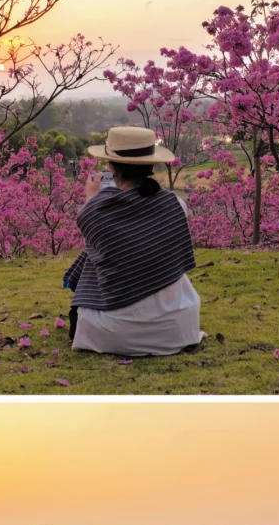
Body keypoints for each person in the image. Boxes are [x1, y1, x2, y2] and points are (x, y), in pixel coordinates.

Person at [62, 126, 204, 357]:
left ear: (112, 166)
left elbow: (99, 225)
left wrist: (91, 198)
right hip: (177, 329)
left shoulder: (94, 211)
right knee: (106, 247)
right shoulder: (176, 205)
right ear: (151, 165)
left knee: (94, 251)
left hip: (112, 333)